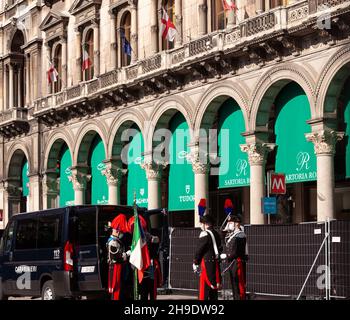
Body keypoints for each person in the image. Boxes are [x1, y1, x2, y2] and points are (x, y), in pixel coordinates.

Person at [128, 214, 161, 300]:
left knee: (147, 288)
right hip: (141, 265)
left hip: (147, 264)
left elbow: (156, 241)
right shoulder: (135, 236)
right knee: (144, 289)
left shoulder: (145, 235)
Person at [193, 214, 222, 300]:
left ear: (205, 224)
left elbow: (199, 250)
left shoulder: (204, 233)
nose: (201, 225)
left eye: (202, 223)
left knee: (204, 290)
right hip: (215, 264)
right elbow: (220, 248)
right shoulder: (217, 234)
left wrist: (195, 262)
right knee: (213, 290)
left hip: (206, 264)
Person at [221, 214, 248, 300]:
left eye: (231, 223)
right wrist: (226, 228)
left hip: (237, 261)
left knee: (238, 284)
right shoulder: (232, 234)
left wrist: (227, 256)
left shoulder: (240, 235)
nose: (229, 225)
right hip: (232, 262)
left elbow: (237, 251)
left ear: (236, 223)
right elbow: (222, 237)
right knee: (234, 283)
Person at [106, 214, 131, 300]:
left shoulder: (116, 241)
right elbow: (116, 257)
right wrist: (127, 254)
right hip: (116, 267)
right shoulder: (113, 242)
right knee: (116, 289)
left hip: (119, 267)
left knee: (120, 289)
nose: (121, 234)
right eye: (121, 232)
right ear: (116, 231)